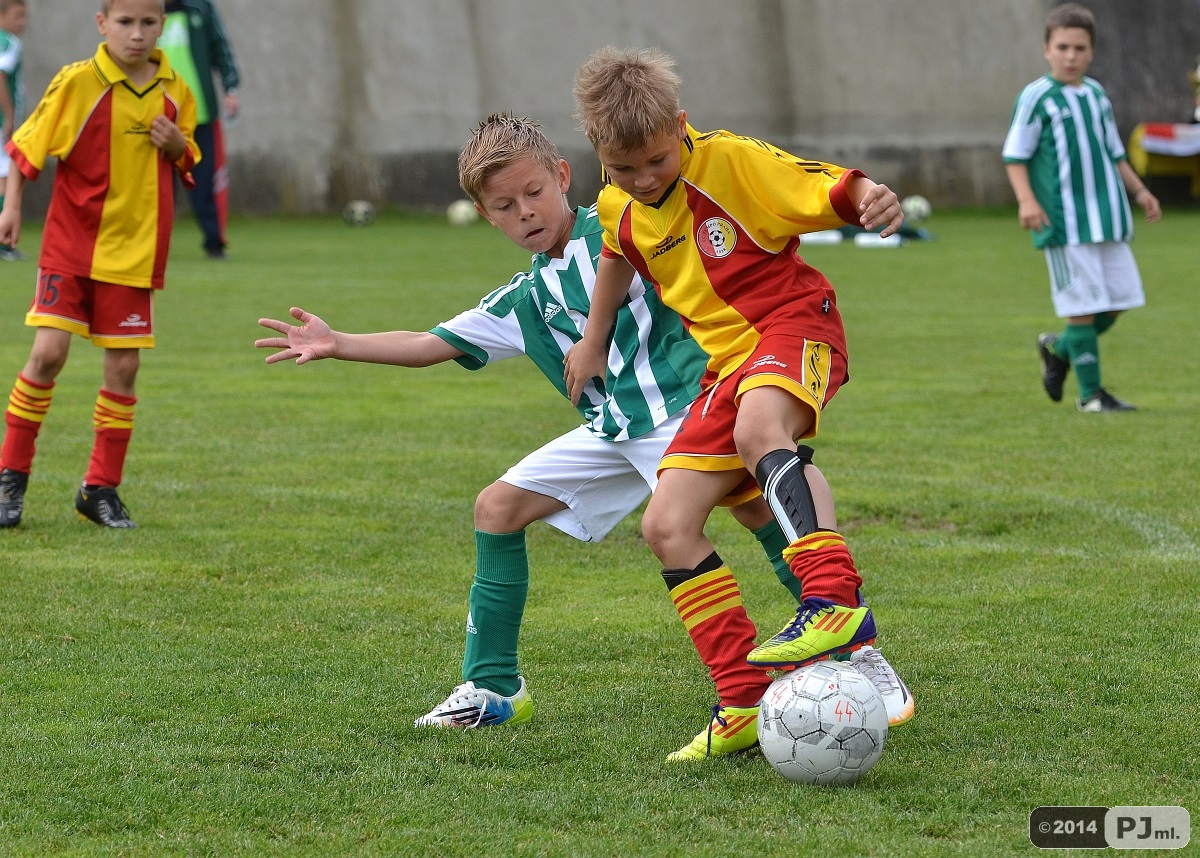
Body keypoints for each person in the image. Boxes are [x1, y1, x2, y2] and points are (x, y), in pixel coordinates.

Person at [256, 114, 911, 760]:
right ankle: (493, 688)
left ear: (563, 176)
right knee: (497, 507)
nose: (525, 213)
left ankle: (856, 648)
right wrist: (339, 343)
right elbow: (429, 343)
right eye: (505, 206)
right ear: (486, 216)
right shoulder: (523, 300)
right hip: (612, 432)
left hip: (688, 407)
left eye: (534, 193)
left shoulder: (626, 216)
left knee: (759, 506)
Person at [564, 47, 915, 749]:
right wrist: (593, 338)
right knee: (667, 525)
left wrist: (868, 196)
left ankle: (831, 601)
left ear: (681, 127)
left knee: (761, 429)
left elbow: (821, 184)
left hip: (794, 325)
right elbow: (615, 251)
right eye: (623, 168)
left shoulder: (729, 162)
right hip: (724, 368)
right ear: (600, 155)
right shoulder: (616, 201)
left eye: (656, 160)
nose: (642, 179)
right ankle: (743, 699)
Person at [0, 0, 199, 529]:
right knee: (48, 354)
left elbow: (189, 156)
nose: (137, 34)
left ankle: (100, 488)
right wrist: (11, 207)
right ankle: (9, 480)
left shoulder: (176, 91)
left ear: (161, 26)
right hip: (70, 246)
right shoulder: (77, 82)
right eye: (125, 22)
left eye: (148, 23)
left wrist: (177, 144)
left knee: (124, 368)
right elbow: (25, 147)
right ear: (102, 24)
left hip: (134, 254)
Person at [1003, 3, 1161, 413]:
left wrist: (1140, 192)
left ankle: (1059, 349)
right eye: (1063, 47)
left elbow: (1114, 152)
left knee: (1121, 299)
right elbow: (1015, 155)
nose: (1071, 56)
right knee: (1082, 308)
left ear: (1091, 51)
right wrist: (1027, 201)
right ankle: (1091, 396)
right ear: (1047, 49)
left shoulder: (1096, 95)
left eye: (1079, 48)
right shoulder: (1036, 97)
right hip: (1064, 221)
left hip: (1107, 217)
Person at [158, 0, 239, 259]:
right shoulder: (143, 11)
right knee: (157, 188)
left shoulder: (200, 7)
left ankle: (215, 242)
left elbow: (220, 46)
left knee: (204, 183)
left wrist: (231, 87)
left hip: (200, 116)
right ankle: (153, 246)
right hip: (157, 119)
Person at [0, 0, 27, 261]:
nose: (23, 23)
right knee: (6, 178)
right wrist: (9, 116)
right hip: (2, 122)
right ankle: (4, 243)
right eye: (18, 16)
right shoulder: (8, 42)